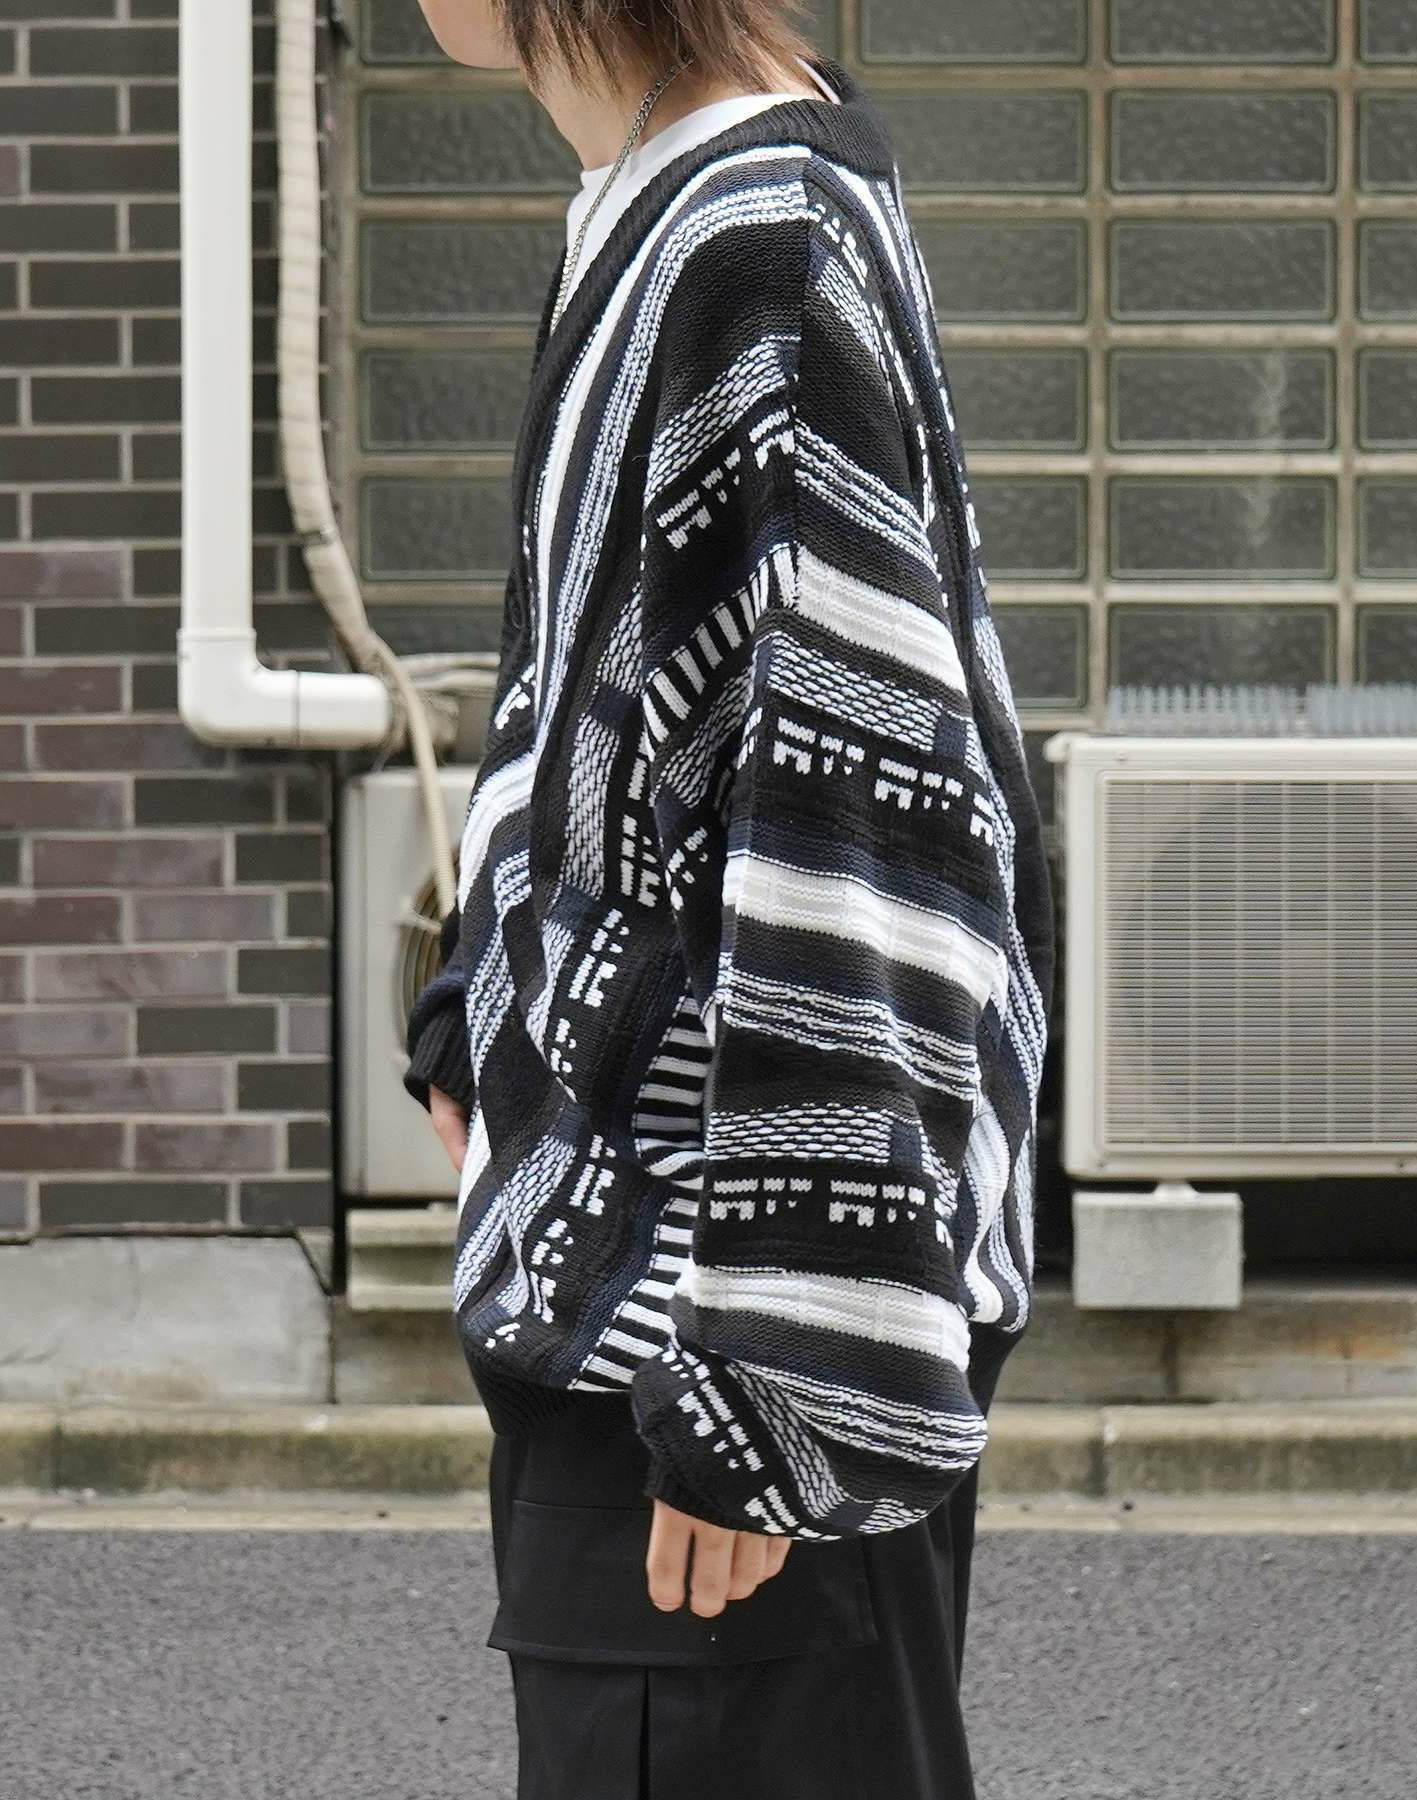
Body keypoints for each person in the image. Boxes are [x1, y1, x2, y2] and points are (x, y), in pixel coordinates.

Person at [402, 3, 1054, 1794]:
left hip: (714, 1313)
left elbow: (863, 800)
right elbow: (627, 692)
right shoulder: (680, 183)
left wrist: (782, 1371)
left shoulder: (754, 237)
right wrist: (480, 990)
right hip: (663, 1271)